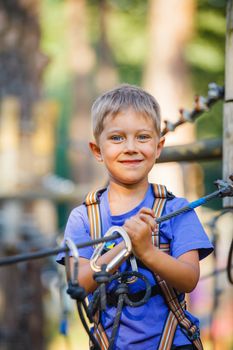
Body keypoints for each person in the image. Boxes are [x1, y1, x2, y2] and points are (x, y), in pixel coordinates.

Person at [57, 84, 213, 350]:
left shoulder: (177, 209)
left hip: (175, 344)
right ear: (97, 150)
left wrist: (146, 251)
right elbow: (79, 284)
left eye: (142, 137)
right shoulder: (83, 217)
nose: (130, 147)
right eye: (117, 138)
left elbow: (189, 278)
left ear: (158, 146)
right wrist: (124, 246)